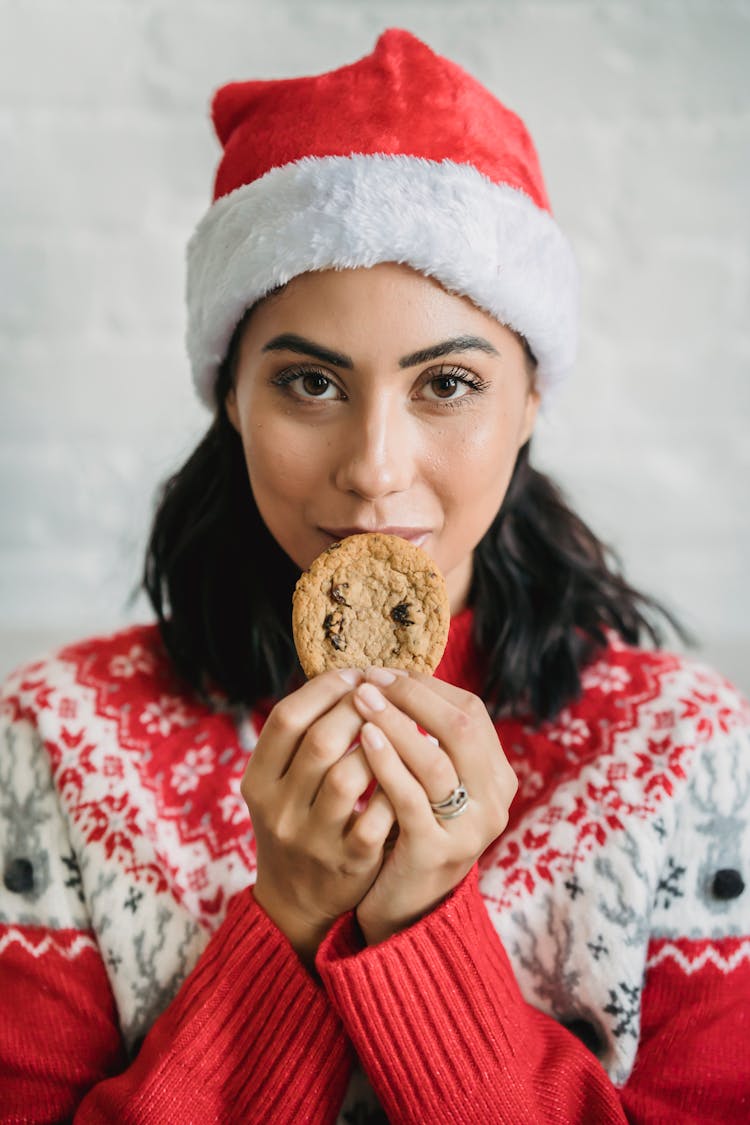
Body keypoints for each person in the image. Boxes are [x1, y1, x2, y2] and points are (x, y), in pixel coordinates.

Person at [1, 27, 748, 1124]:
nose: (373, 470)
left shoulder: (688, 755)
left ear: (530, 400)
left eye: (447, 383)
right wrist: (293, 913)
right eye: (309, 381)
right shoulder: (54, 743)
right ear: (230, 396)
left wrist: (424, 931)